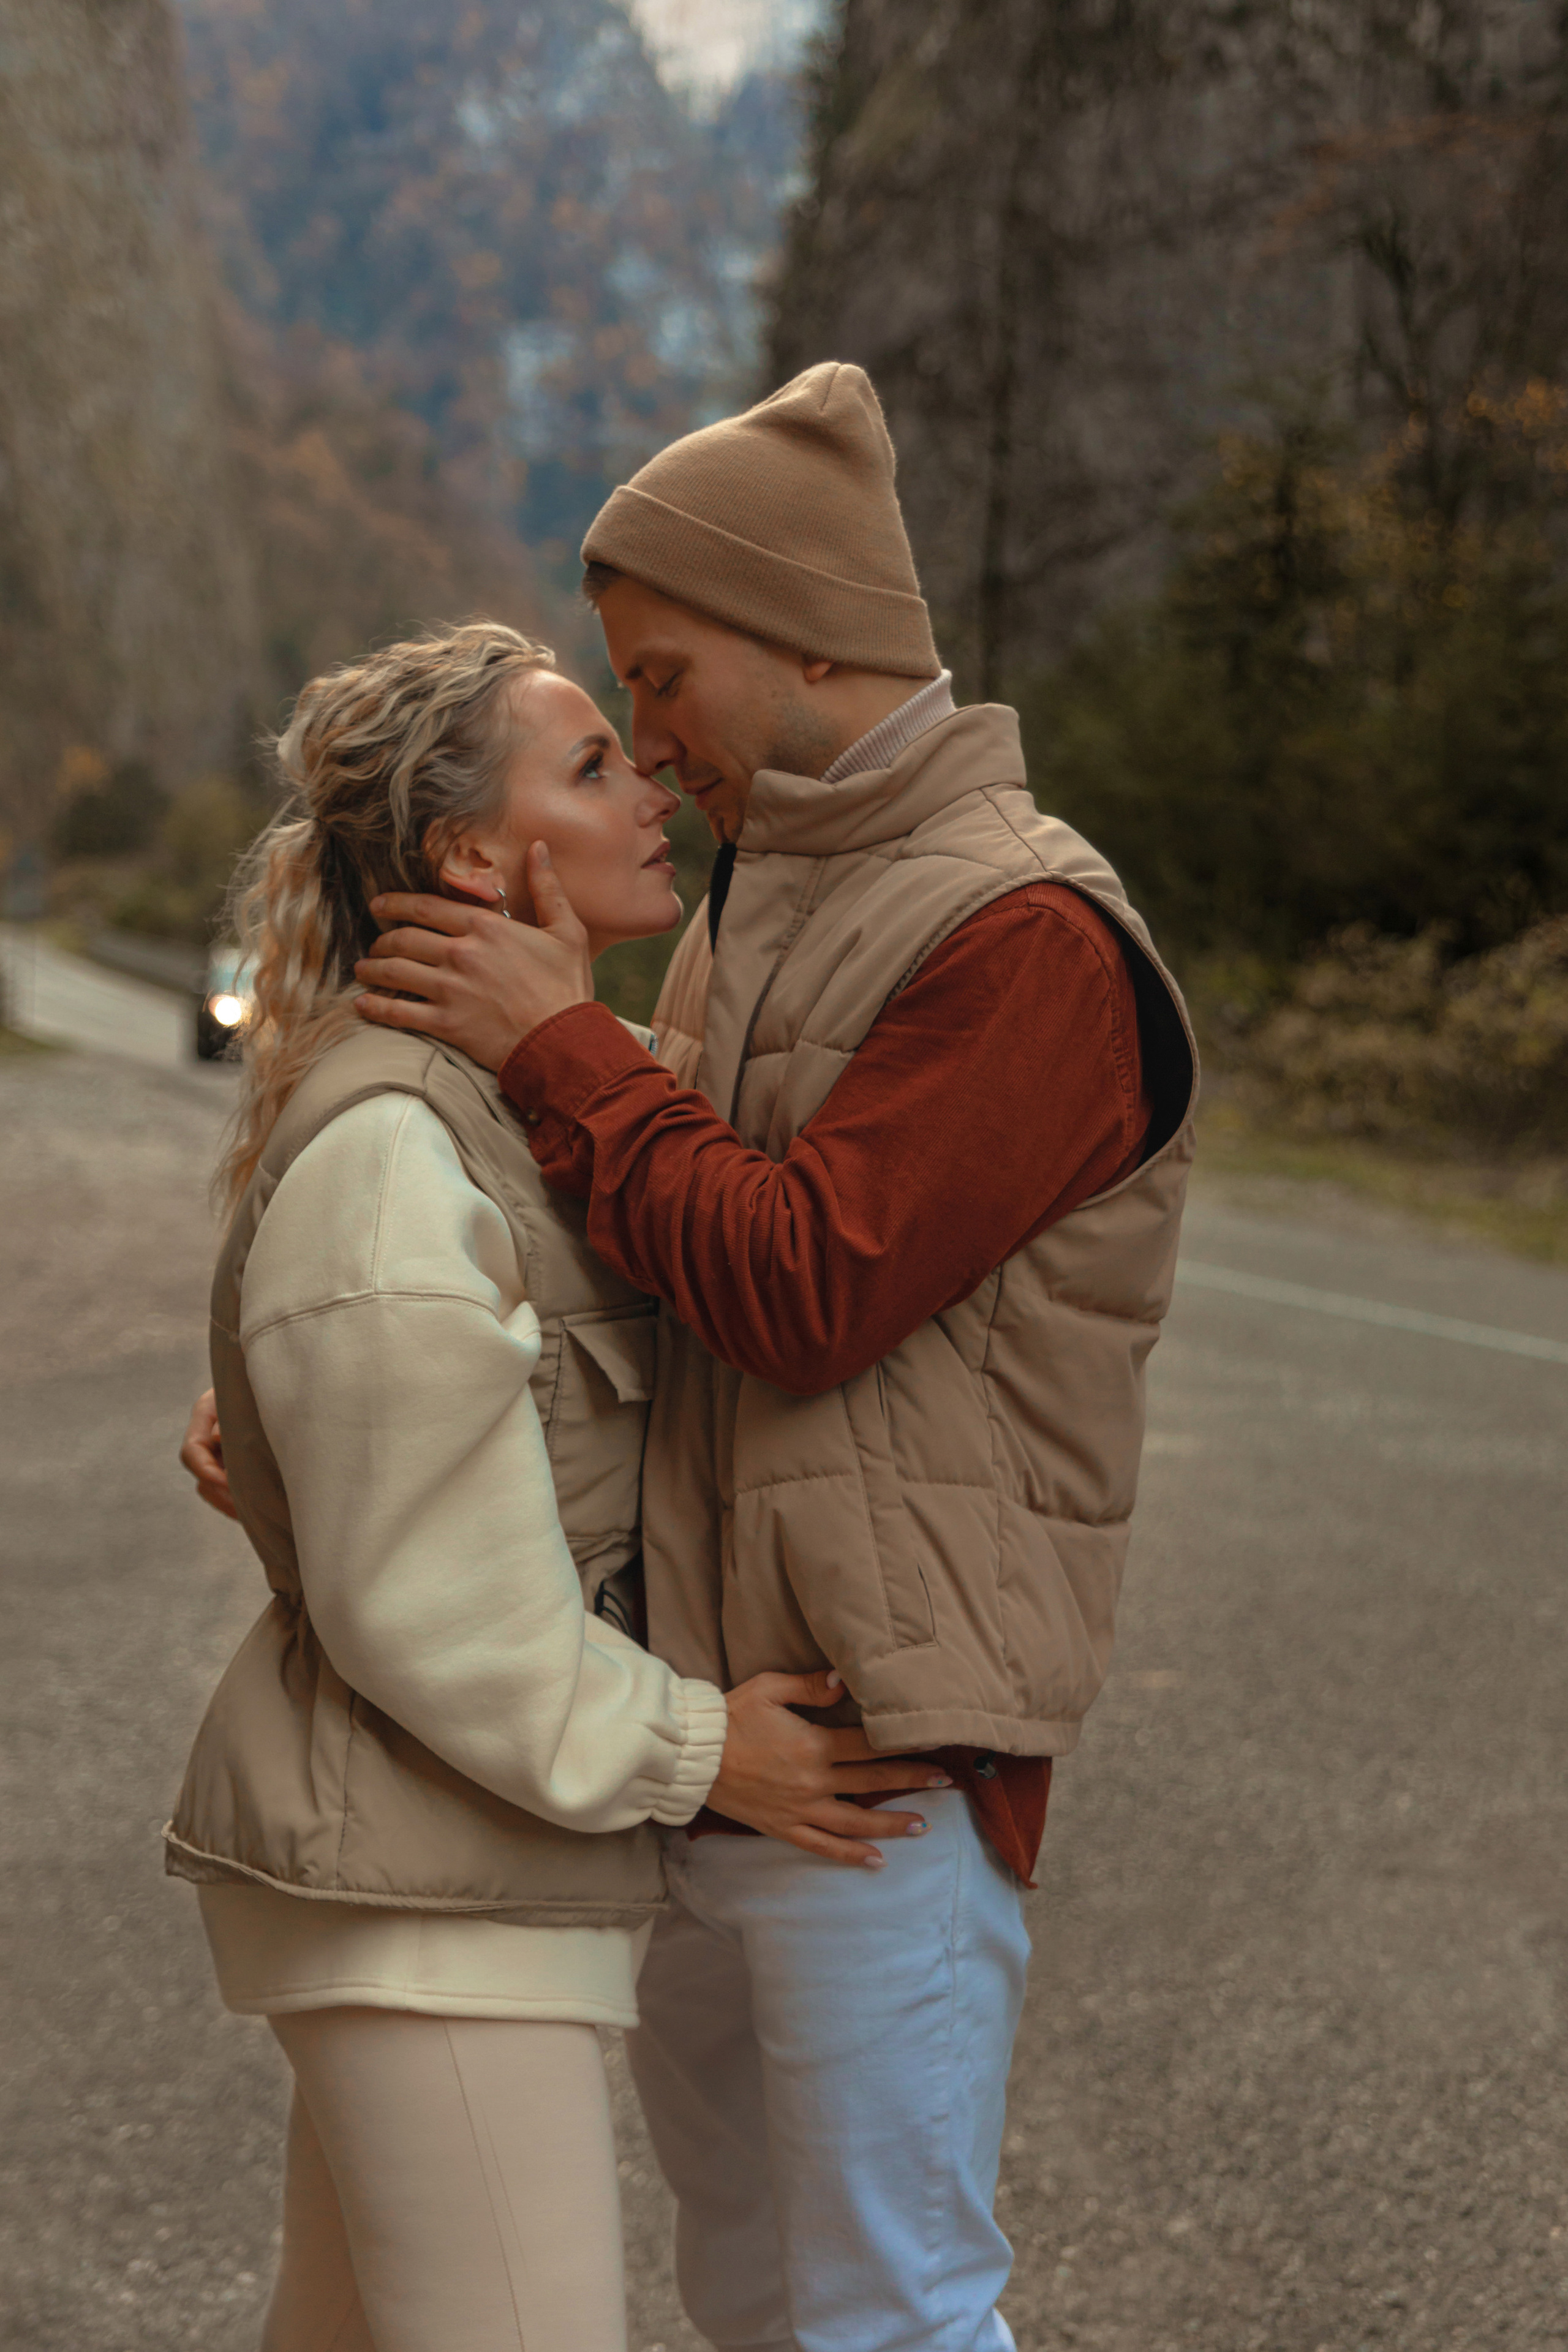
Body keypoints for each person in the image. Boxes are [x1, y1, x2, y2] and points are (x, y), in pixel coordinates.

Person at [334, 363, 1203, 2350]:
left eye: (662, 681)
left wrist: (563, 1044)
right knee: (748, 2297)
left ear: (809, 634)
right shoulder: (773, 896)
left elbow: (808, 1284)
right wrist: (330, 1399)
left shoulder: (1028, 933)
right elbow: (636, 1255)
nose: (649, 745)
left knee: (887, 2314)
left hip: (885, 1768)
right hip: (716, 1745)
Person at [167, 620, 943, 2352]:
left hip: (451, 1885)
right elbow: (430, 1607)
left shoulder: (568, 1103)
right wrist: (703, 1750)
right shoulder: (400, 1149)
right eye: (592, 764)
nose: (652, 782)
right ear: (472, 856)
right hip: (423, 1899)